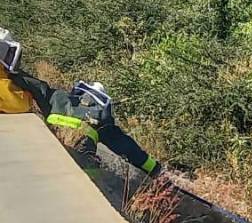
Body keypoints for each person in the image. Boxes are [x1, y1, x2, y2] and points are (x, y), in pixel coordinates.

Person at [0, 28, 161, 176]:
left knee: (91, 175)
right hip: (75, 142)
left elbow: (21, 102)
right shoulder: (94, 113)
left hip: (74, 140)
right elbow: (20, 102)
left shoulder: (17, 79)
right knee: (92, 176)